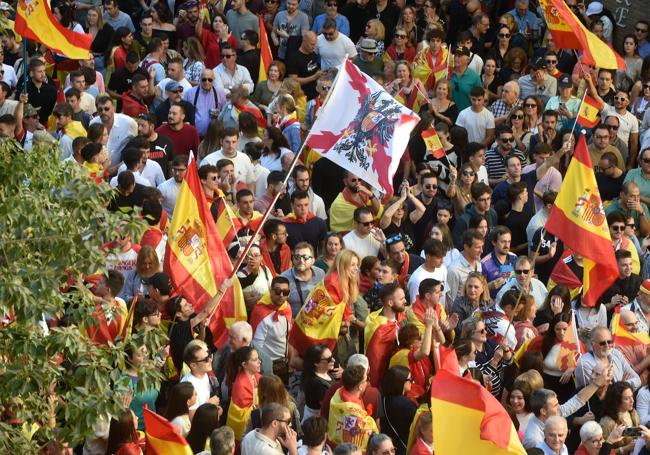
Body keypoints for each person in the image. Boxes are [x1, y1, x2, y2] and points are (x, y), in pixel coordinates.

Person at [364, 282, 407, 387]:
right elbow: (376, 362)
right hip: (386, 381)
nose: (405, 301)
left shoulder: (401, 316)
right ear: (390, 303)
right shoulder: (379, 329)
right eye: (401, 299)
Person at [326, 364, 378, 448]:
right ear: (360, 386)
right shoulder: (353, 412)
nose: (368, 382)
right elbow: (365, 433)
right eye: (366, 379)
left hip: (333, 442)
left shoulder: (339, 393)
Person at [250, 276, 292, 378]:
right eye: (277, 291)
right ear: (271, 291)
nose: (281, 295)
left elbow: (288, 336)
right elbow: (257, 346)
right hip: (269, 367)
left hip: (285, 364)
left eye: (285, 292)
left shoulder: (286, 308)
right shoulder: (261, 312)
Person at [575, 327, 641, 390]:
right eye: (602, 343)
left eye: (609, 342)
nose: (607, 345)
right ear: (592, 344)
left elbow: (637, 380)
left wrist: (622, 385)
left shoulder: (616, 353)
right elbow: (599, 394)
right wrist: (622, 385)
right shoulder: (584, 364)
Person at [90, 94, 138, 168]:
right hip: (99, 168)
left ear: (113, 108)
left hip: (121, 168)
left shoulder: (128, 122)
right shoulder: (93, 123)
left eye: (106, 109)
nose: (103, 112)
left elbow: (137, 141)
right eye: (100, 109)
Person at [225, 346, 262, 441]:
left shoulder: (256, 376)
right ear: (244, 364)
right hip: (242, 433)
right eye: (254, 360)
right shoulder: (241, 385)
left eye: (258, 358)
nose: (259, 362)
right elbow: (244, 416)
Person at [281, 242, 326, 316]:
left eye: (305, 258)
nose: (301, 261)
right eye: (297, 257)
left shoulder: (320, 273)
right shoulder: (284, 278)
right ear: (293, 259)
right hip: (293, 323)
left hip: (316, 322)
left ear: (313, 260)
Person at [380, 366, 418, 455]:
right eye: (410, 379)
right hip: (403, 448)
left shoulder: (383, 398)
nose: (413, 382)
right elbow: (418, 426)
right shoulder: (407, 405)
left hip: (388, 447)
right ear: (401, 382)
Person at [301, 344, 340, 422]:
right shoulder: (318, 384)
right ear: (316, 363)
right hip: (317, 423)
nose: (333, 360)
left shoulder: (325, 373)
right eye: (329, 359)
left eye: (332, 356)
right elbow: (327, 408)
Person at [447, 230, 484, 302]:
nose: (481, 251)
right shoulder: (454, 270)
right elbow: (450, 301)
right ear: (466, 247)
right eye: (477, 247)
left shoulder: (479, 263)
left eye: (482, 247)